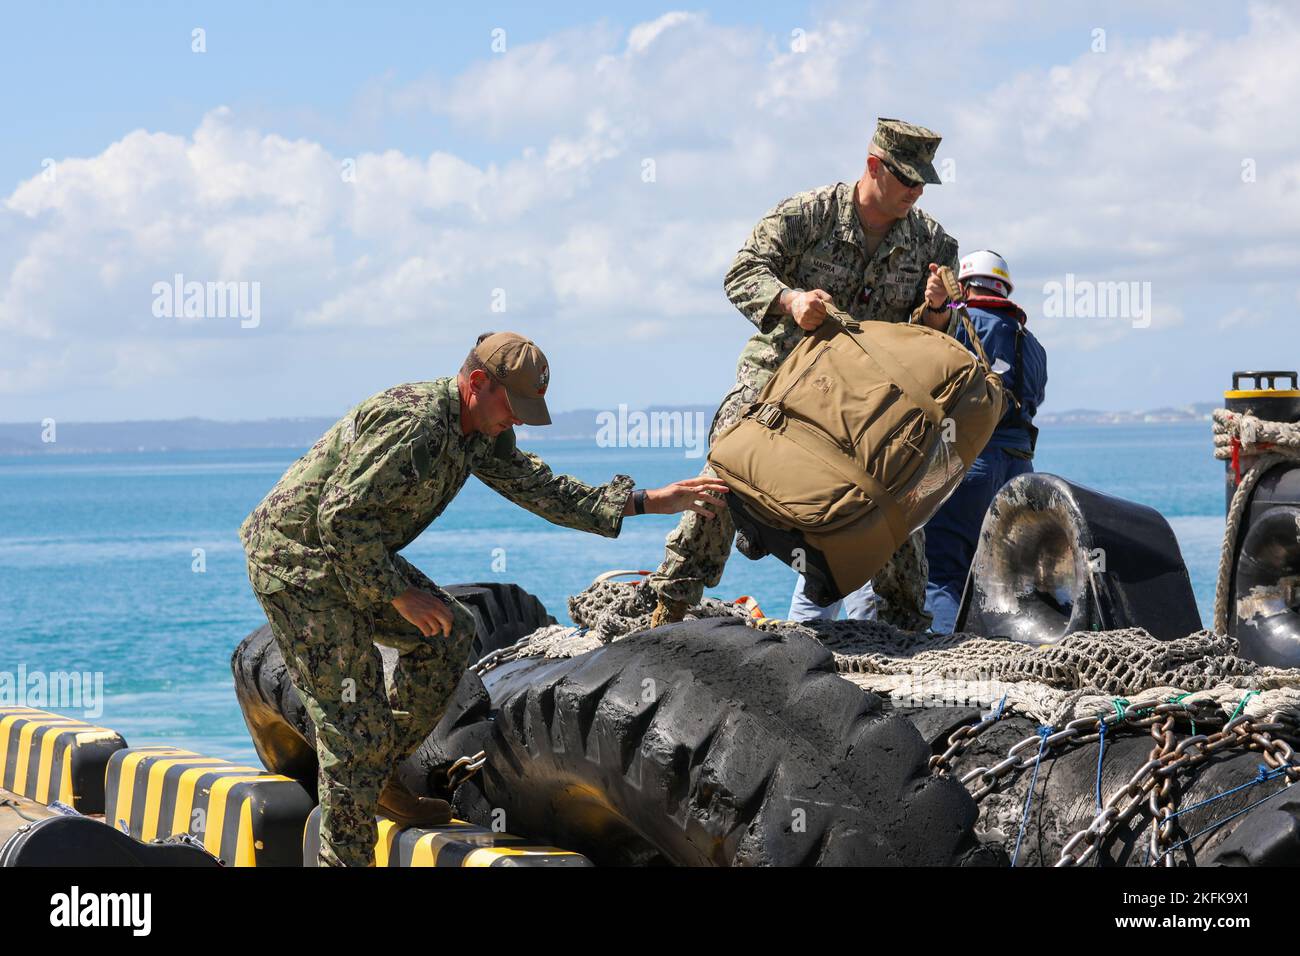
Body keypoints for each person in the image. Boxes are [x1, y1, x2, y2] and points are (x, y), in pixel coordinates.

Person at [239, 332, 728, 866]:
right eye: (512, 408)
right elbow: (338, 520)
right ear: (476, 384)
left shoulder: (479, 433)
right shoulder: (416, 425)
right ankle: (349, 837)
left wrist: (647, 502)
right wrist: (400, 596)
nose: (516, 421)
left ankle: (376, 775)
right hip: (300, 560)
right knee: (353, 723)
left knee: (452, 634)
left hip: (357, 555)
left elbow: (540, 488)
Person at [646, 117, 960, 631]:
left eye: (923, 182)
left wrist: (936, 313)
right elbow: (742, 272)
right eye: (906, 178)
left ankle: (906, 626)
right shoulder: (807, 215)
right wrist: (791, 302)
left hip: (860, 399)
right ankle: (671, 603)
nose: (916, 191)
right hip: (780, 378)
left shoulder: (933, 246)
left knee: (900, 492)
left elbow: (931, 342)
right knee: (725, 469)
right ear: (873, 166)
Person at [924, 251, 1047, 633]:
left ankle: (945, 658)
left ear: (963, 286)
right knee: (1004, 575)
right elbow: (1034, 400)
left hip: (970, 461)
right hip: (1019, 470)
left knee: (944, 568)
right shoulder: (1033, 344)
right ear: (1004, 289)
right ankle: (1002, 655)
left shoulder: (959, 325)